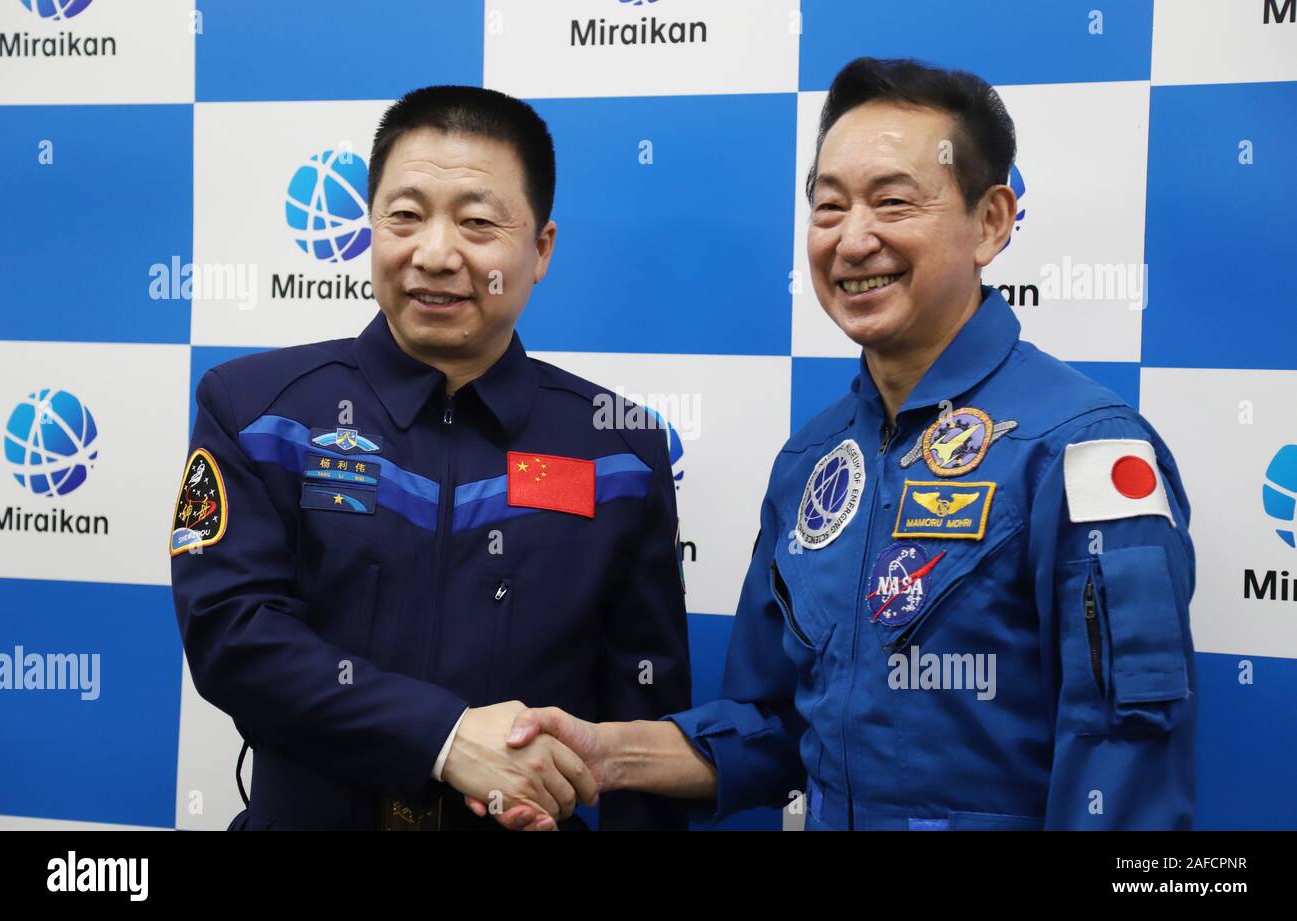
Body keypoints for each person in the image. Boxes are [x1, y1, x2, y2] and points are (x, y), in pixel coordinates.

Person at [478, 57, 1197, 831]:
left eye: (893, 201)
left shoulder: (1081, 451)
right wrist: (601, 754)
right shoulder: (813, 463)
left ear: (991, 222)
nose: (854, 240)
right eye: (829, 207)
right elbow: (777, 727)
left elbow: (1126, 782)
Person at [169, 85, 690, 831]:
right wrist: (444, 739)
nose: (435, 254)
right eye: (405, 217)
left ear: (539, 249)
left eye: (477, 222)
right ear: (371, 227)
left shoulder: (619, 449)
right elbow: (234, 638)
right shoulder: (258, 410)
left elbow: (644, 725)